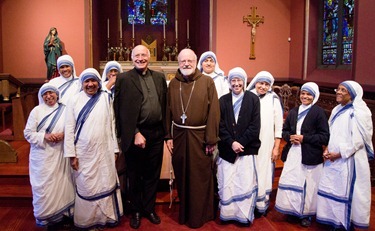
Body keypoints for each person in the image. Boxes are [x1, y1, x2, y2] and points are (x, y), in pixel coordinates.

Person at [165, 48, 220, 228]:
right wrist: (168, 135)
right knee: (182, 174)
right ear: (178, 63)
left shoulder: (207, 82)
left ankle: (200, 215)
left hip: (200, 136)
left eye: (189, 61)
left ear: (195, 62)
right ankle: (185, 213)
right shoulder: (173, 84)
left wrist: (211, 139)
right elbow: (167, 111)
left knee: (200, 176)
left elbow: (214, 112)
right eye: (182, 61)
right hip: (179, 136)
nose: (186, 64)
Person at [114, 45, 167, 229]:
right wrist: (135, 132)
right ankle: (136, 210)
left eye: (144, 55)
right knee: (135, 174)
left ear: (149, 56)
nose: (140, 58)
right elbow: (120, 110)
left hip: (156, 133)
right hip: (136, 134)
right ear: (131, 58)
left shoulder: (159, 77)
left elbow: (165, 105)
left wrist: (166, 134)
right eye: (137, 55)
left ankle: (149, 208)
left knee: (153, 173)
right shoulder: (123, 79)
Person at [64, 68, 123, 229]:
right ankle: (88, 221)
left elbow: (112, 124)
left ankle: (104, 219)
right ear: (81, 83)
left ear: (98, 82)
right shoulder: (74, 100)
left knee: (105, 182)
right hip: (83, 152)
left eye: (93, 81)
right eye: (87, 81)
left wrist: (115, 149)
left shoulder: (105, 98)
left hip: (104, 150)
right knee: (87, 186)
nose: (90, 84)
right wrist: (71, 155)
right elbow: (69, 128)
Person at [316, 81, 373, 230]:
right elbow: (330, 131)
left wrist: (340, 154)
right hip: (332, 156)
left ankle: (345, 222)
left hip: (350, 159)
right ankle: (332, 219)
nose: (339, 92)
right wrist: (327, 148)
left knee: (347, 189)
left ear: (352, 94)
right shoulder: (336, 109)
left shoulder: (360, 112)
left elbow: (359, 140)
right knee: (332, 187)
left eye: (343, 90)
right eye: (338, 89)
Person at [275, 82, 330, 227]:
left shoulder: (318, 112)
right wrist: (290, 137)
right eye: (303, 93)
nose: (305, 96)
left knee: (309, 185)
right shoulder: (294, 111)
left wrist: (304, 138)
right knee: (293, 180)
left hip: (310, 156)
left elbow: (324, 137)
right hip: (293, 153)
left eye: (308, 94)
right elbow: (284, 130)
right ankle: (293, 210)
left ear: (315, 96)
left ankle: (306, 213)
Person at [24, 84, 74, 229]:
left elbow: (73, 128)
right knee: (44, 188)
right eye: (45, 94)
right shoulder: (36, 111)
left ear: (57, 94)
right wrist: (44, 136)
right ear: (41, 96)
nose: (48, 96)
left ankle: (63, 217)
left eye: (51, 93)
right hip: (42, 156)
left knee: (62, 185)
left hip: (60, 154)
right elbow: (28, 133)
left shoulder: (65, 110)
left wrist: (64, 135)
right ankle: (47, 218)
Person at [217, 67, 261, 226]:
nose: (236, 84)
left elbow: (255, 126)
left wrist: (240, 143)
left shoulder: (253, 99)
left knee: (244, 182)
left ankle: (242, 216)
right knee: (227, 182)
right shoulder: (222, 100)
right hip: (227, 150)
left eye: (239, 80)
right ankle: (228, 214)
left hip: (246, 150)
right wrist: (231, 142)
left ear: (244, 81)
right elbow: (220, 126)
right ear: (229, 83)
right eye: (233, 81)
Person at [247, 71, 283, 216]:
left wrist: (276, 147)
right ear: (255, 82)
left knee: (264, 171)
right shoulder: (247, 96)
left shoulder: (273, 98)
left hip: (266, 143)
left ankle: (260, 203)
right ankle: (248, 202)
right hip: (249, 142)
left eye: (266, 84)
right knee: (249, 172)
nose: (263, 86)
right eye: (261, 83)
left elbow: (279, 125)